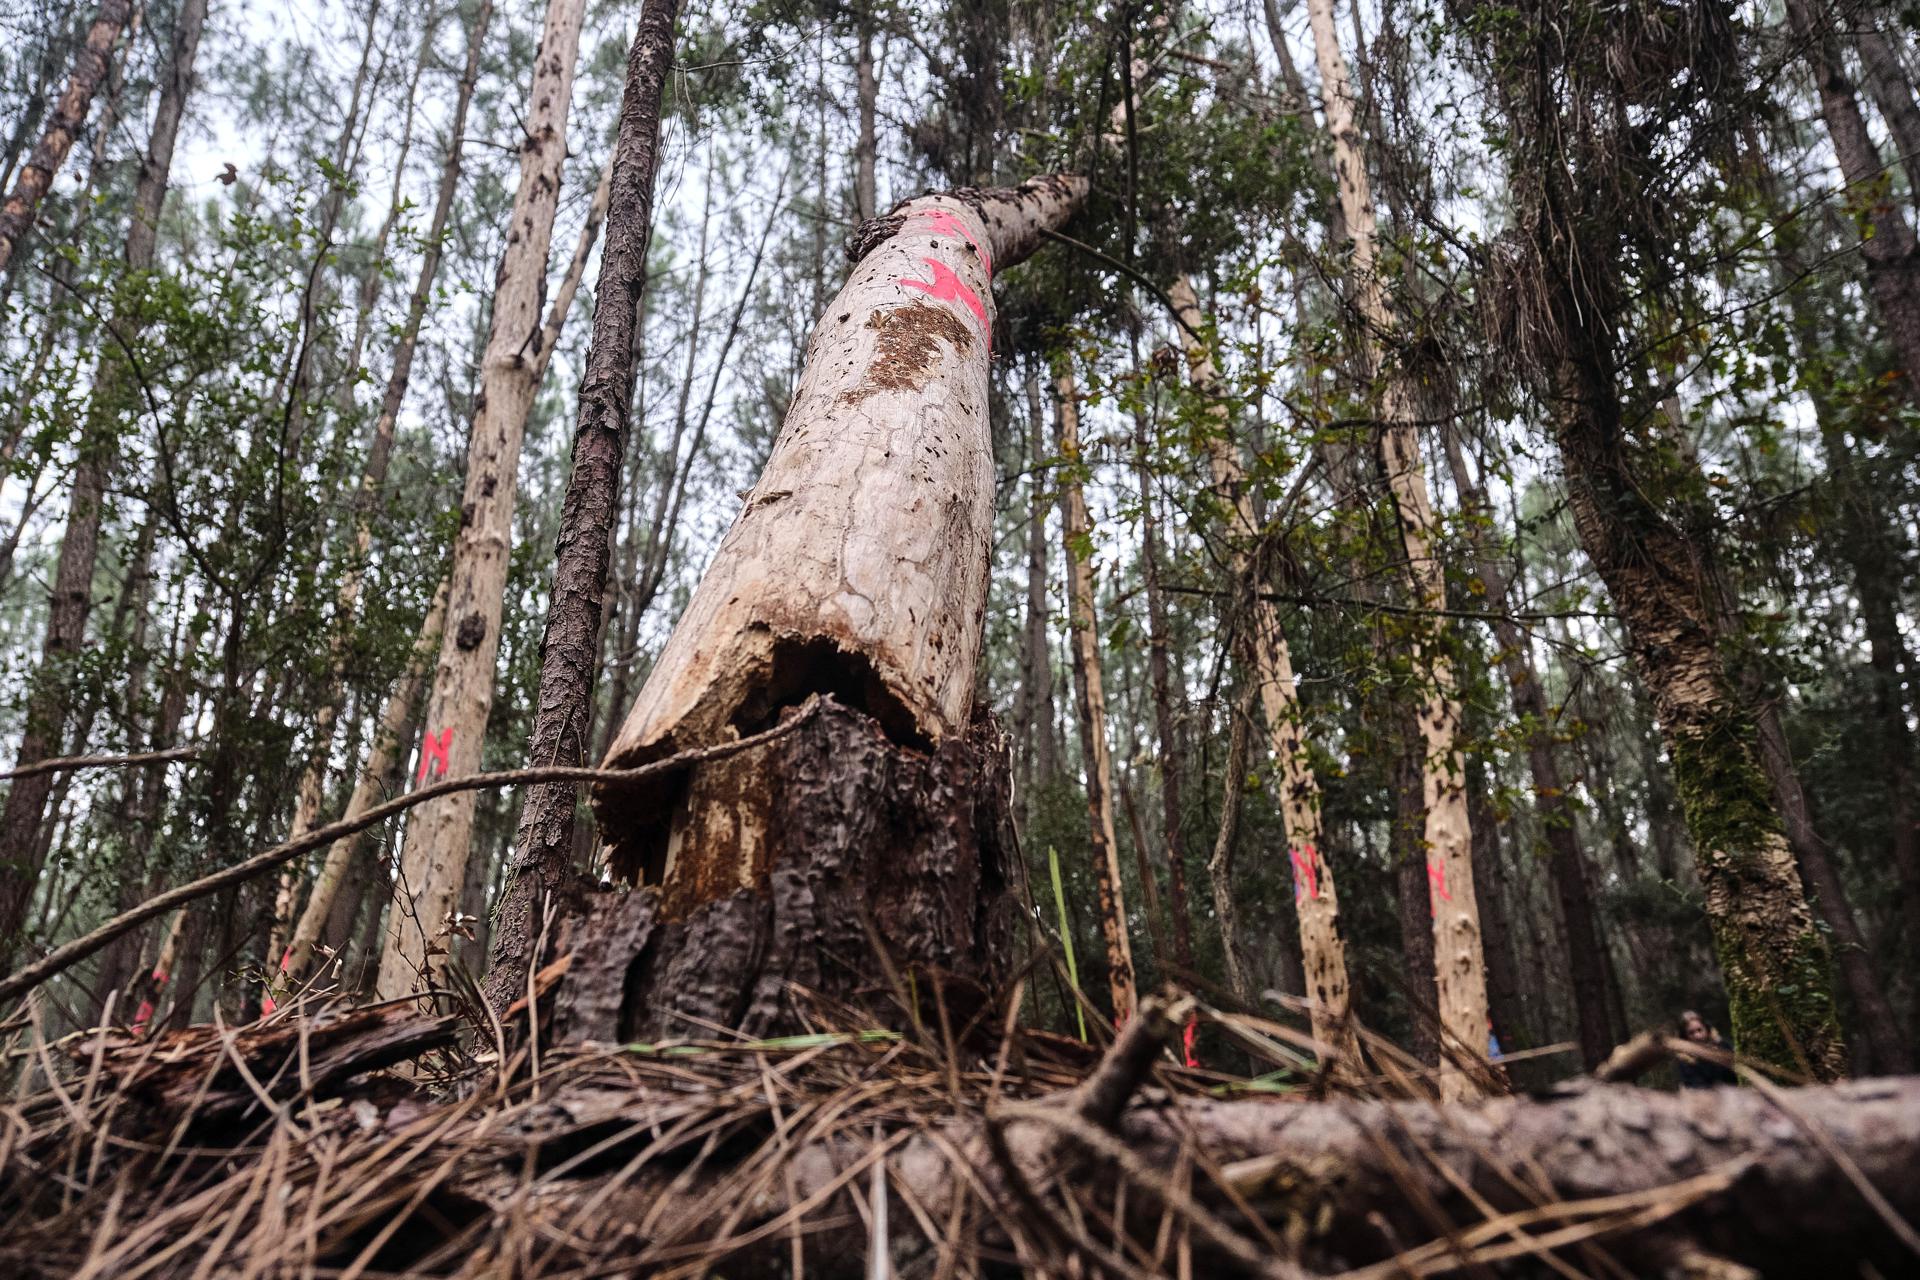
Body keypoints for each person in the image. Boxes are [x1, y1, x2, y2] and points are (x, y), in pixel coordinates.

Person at [1675, 1009, 1738, 1088]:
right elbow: (1696, 1087)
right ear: (1685, 1037)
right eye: (1691, 1033)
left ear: (1706, 1029)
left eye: (1699, 1030)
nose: (1697, 1036)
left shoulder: (1722, 1046)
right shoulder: (1686, 1060)